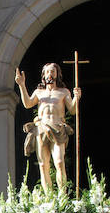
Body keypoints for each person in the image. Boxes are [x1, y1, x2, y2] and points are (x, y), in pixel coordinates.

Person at [14, 62, 81, 192]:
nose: (50, 74)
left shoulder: (63, 92)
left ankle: (62, 195)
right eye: (48, 72)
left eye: (53, 71)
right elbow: (27, 104)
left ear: (57, 74)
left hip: (58, 127)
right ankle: (49, 196)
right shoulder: (39, 92)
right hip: (42, 128)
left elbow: (73, 110)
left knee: (59, 162)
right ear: (44, 75)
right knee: (43, 164)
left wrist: (76, 98)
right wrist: (22, 85)